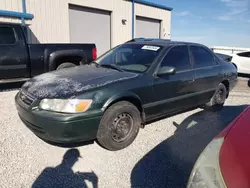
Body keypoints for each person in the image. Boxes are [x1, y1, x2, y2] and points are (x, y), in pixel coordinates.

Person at [32, 149, 98, 188]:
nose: (76, 160)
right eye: (76, 158)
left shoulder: (48, 170)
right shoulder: (70, 176)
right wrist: (95, 184)